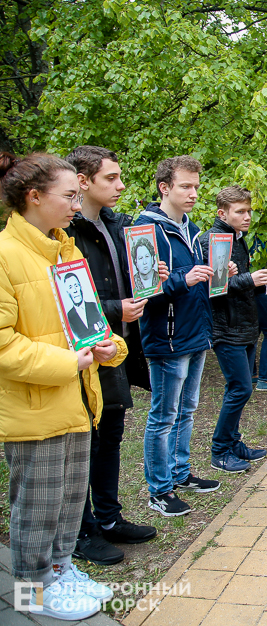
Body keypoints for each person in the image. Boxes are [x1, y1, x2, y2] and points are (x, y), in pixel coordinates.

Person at [0, 152, 126, 619]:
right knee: (37, 507)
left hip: (76, 401)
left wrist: (108, 346)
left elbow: (87, 320)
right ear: (34, 197)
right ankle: (31, 593)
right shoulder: (5, 256)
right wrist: (68, 362)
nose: (77, 205)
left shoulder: (65, 249)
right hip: (35, 409)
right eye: (69, 195)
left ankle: (59, 570)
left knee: (70, 501)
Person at [65, 145, 159, 566]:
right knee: (88, 441)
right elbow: (67, 301)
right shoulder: (67, 234)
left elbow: (126, 279)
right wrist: (115, 308)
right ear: (82, 181)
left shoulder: (114, 225)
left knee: (111, 437)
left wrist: (148, 277)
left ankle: (108, 517)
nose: (121, 186)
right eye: (111, 178)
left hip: (117, 351)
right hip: (85, 356)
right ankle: (82, 530)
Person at [135, 155, 222, 517]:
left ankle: (180, 473)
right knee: (164, 415)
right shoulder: (146, 229)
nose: (193, 193)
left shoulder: (192, 228)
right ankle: (159, 489)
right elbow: (142, 288)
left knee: (186, 410)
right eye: (186, 186)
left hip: (195, 331)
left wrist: (221, 273)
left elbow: (202, 279)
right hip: (168, 336)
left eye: (197, 187)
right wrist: (180, 280)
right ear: (164, 187)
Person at [205, 186, 267, 476]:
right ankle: (219, 450)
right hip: (227, 328)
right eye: (240, 212)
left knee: (239, 389)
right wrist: (251, 279)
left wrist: (263, 279)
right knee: (241, 388)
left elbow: (238, 282)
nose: (247, 216)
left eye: (249, 210)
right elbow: (216, 287)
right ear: (223, 214)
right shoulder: (217, 239)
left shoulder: (237, 238)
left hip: (244, 326)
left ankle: (233, 442)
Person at [62, 273, 107, 340]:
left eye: (76, 285)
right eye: (70, 287)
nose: (75, 290)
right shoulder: (69, 315)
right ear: (67, 292)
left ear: (80, 286)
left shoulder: (94, 306)